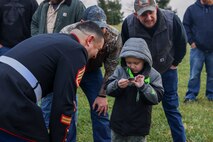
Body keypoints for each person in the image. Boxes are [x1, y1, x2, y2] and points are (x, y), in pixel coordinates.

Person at [0, 21, 104, 142]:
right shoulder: (77, 50)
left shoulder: (50, 38)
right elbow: (63, 103)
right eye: (98, 49)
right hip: (12, 98)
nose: (96, 56)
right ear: (90, 40)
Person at [43, 5, 122, 142]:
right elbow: (62, 65)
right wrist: (68, 95)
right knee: (68, 110)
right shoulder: (67, 32)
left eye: (101, 27)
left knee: (101, 109)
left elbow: (112, 67)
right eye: (94, 26)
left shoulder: (113, 37)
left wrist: (102, 94)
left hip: (92, 72)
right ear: (82, 23)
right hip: (69, 70)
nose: (99, 31)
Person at [121, 0, 187, 141]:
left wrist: (175, 63)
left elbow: (181, 42)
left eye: (150, 12)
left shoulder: (172, 19)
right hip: (142, 72)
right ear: (135, 14)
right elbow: (125, 49)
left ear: (156, 8)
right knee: (137, 108)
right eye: (143, 14)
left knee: (171, 108)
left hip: (167, 70)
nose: (148, 17)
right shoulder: (128, 24)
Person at [105, 38, 164, 142]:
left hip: (139, 126)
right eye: (128, 62)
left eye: (136, 63)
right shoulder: (120, 70)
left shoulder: (154, 75)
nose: (132, 66)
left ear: (145, 60)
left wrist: (144, 87)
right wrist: (117, 85)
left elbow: (156, 98)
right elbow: (108, 89)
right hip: (118, 123)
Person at [183, 0, 213, 102]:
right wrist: (191, 41)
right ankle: (191, 96)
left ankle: (211, 95)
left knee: (212, 74)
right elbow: (185, 26)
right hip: (197, 49)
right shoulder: (191, 10)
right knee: (194, 75)